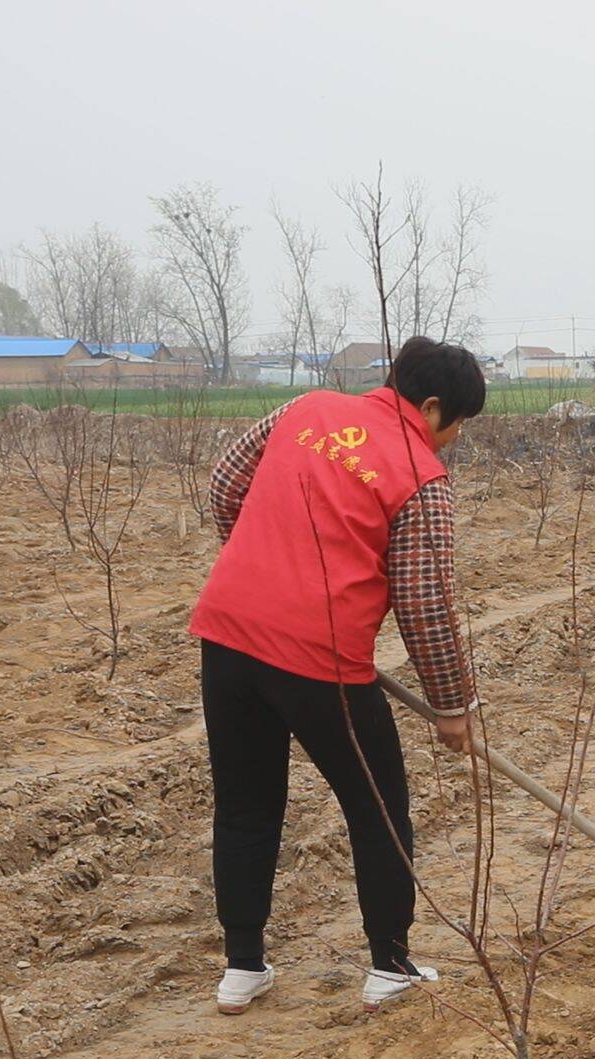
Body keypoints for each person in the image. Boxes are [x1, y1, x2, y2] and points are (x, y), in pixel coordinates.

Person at [188, 336, 485, 1015]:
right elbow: (424, 601)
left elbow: (225, 484)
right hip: (321, 662)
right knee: (378, 809)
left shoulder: (306, 408)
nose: (455, 439)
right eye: (459, 424)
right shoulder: (421, 476)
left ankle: (242, 967)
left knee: (245, 805)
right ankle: (389, 967)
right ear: (433, 406)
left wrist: (265, 561)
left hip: (228, 635)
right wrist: (451, 706)